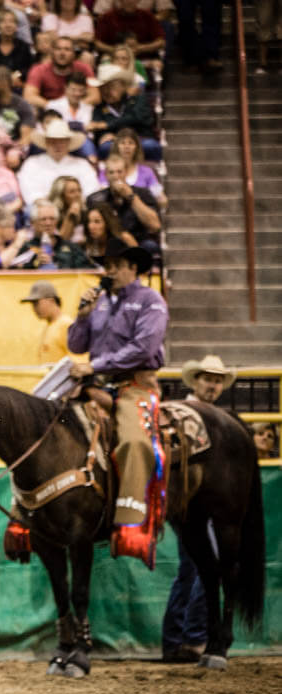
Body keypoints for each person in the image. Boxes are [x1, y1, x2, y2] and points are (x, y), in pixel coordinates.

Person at [68, 244, 168, 563]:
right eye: (106, 264)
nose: (108, 271)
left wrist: (96, 366)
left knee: (135, 442)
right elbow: (75, 343)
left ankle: (132, 526)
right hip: (97, 384)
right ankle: (25, 521)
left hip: (134, 384)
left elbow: (144, 347)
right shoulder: (98, 303)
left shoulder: (151, 301)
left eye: (115, 264)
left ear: (133, 269)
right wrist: (82, 316)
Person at [160, 354, 234, 661]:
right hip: (191, 500)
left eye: (217, 381)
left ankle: (176, 639)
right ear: (196, 381)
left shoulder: (193, 414)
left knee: (190, 568)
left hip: (192, 500)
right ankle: (190, 638)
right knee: (205, 564)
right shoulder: (187, 415)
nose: (213, 385)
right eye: (208, 379)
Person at [87, 150, 162, 253]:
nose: (115, 176)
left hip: (138, 241)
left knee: (150, 246)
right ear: (105, 175)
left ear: (126, 172)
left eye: (119, 172)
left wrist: (131, 197)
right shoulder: (95, 199)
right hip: (107, 244)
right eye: (111, 172)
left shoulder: (143, 193)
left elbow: (155, 225)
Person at [18, 117, 99, 205]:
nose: (57, 145)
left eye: (62, 141)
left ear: (69, 142)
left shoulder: (82, 164)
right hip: (43, 210)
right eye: (53, 141)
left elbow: (91, 191)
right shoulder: (32, 163)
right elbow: (30, 194)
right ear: (46, 142)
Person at [21, 278, 84, 364]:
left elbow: (79, 360)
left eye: (36, 303)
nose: (34, 308)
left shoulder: (65, 325)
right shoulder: (50, 325)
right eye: (33, 304)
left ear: (51, 300)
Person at [23, 35, 94, 110]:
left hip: (79, 111)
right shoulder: (39, 70)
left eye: (67, 49)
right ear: (52, 52)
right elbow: (29, 96)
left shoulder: (84, 68)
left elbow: (95, 96)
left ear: (74, 53)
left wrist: (73, 108)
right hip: (49, 112)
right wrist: (54, 107)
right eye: (58, 49)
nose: (62, 53)